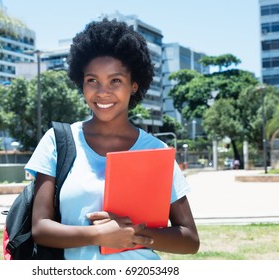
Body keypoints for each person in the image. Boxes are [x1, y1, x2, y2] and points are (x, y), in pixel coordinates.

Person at [25, 18, 199, 260]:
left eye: (115, 80)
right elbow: (40, 229)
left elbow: (190, 239)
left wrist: (131, 234)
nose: (102, 92)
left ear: (134, 85)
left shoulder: (156, 151)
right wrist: (99, 235)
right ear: (81, 83)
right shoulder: (58, 141)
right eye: (92, 80)